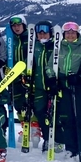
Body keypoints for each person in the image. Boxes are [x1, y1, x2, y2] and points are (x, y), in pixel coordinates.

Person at [54, 22, 81, 161]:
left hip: (80, 87)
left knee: (80, 119)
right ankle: (71, 148)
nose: (70, 35)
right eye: (67, 32)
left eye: (73, 32)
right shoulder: (59, 48)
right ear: (64, 34)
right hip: (64, 87)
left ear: (77, 33)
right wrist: (52, 78)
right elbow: (49, 65)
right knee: (67, 119)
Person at [31, 20, 56, 151]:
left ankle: (56, 139)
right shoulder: (34, 47)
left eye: (45, 33)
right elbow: (29, 63)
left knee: (54, 114)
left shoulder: (56, 46)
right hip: (39, 86)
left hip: (54, 86)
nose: (42, 35)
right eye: (39, 33)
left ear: (50, 33)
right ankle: (47, 138)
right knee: (39, 111)